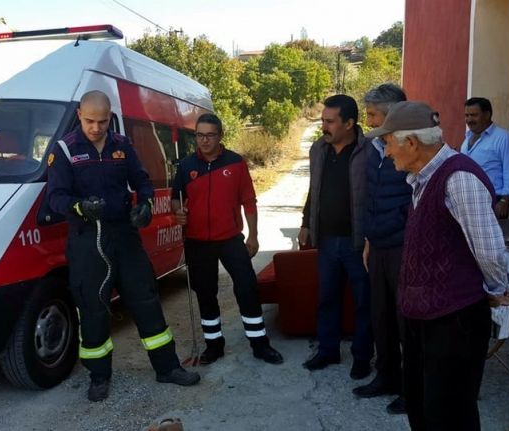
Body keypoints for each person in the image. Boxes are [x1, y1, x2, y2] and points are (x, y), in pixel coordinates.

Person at [366, 101, 509, 430]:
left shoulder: (458, 177)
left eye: (389, 142)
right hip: (425, 316)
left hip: (454, 319)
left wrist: (493, 289)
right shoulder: (422, 179)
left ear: (412, 143)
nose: (387, 151)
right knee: (423, 406)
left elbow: (489, 249)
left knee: (450, 413)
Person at [46, 90, 199, 402]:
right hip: (88, 239)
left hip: (124, 236)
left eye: (103, 121)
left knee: (145, 300)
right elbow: (55, 197)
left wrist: (143, 204)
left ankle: (167, 367)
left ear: (109, 117)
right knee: (93, 309)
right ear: (79, 114)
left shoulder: (121, 145)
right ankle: (99, 375)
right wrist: (79, 207)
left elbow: (141, 180)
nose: (97, 127)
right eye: (90, 121)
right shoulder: (64, 149)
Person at [171, 113, 283, 365]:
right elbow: (175, 197)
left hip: (231, 239)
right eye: (200, 135)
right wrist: (177, 211)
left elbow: (249, 201)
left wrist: (253, 235)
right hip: (197, 241)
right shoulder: (186, 166)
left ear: (220, 135)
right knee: (205, 293)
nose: (204, 140)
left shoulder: (235, 163)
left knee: (247, 287)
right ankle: (214, 345)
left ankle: (260, 344)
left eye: (210, 135)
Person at [299, 94, 374, 380]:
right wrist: (306, 221)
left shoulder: (370, 151)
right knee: (327, 298)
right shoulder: (319, 149)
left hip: (358, 241)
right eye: (323, 121)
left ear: (350, 123)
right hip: (327, 240)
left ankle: (362, 357)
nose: (324, 127)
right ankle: (328, 351)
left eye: (330, 122)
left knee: (363, 301)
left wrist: (371, 237)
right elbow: (313, 188)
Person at [353, 84, 409, 415]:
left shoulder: (410, 145)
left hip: (404, 244)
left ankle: (410, 386)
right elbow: (371, 197)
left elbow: (415, 199)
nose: (369, 120)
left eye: (373, 114)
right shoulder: (374, 146)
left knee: (406, 321)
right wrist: (369, 241)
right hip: (379, 244)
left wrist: (393, 229)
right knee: (381, 315)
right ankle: (386, 376)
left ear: (392, 114)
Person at [460, 97, 509, 219]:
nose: (469, 120)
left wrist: (504, 201)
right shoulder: (467, 138)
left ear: (487, 115)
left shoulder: (503, 138)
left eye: (474, 115)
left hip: (492, 201)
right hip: (467, 200)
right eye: (467, 115)